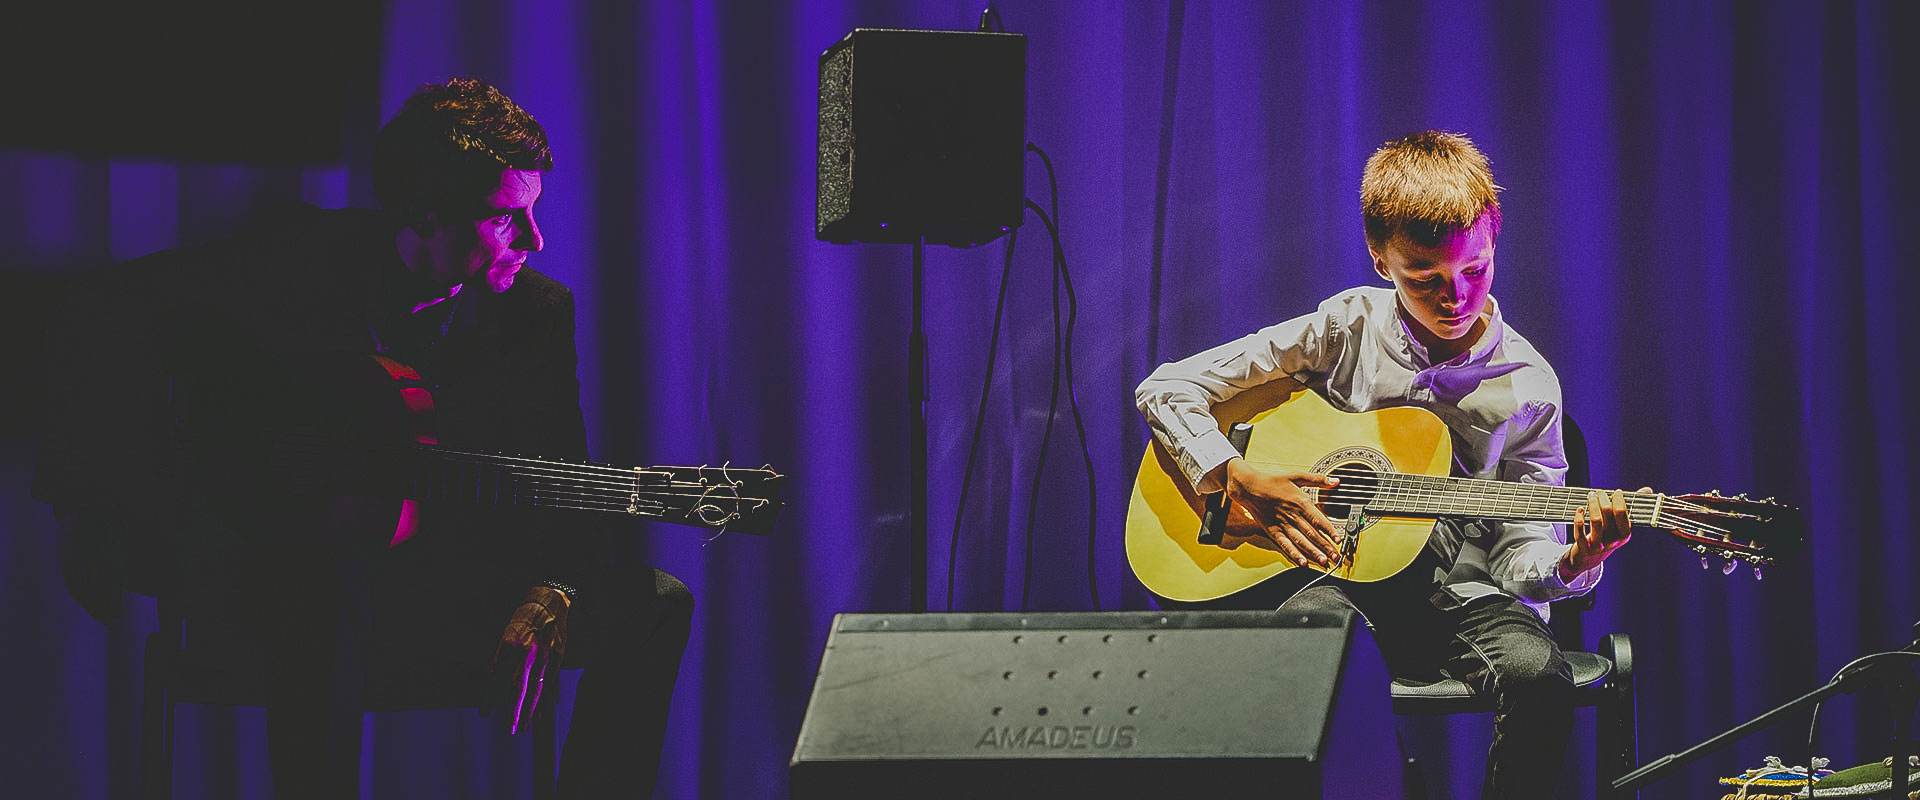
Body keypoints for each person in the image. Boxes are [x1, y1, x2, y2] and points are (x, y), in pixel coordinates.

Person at [33, 77, 689, 799]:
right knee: (320, 582)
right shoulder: (294, 260)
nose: (535, 240)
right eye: (505, 219)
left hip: (440, 589)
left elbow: (566, 473)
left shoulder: (535, 313)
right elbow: (100, 309)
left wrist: (554, 585)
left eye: (532, 212)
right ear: (425, 211)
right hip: (279, 583)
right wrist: (89, 500)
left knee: (656, 602)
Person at [1134, 130, 1633, 798]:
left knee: (1541, 676)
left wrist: (1571, 563)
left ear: (1494, 245)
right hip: (1332, 577)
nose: (1455, 296)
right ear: (1380, 257)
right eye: (1424, 278)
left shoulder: (1528, 385)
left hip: (1458, 594)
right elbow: (1165, 389)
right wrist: (1234, 473)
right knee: (1305, 656)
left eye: (1475, 270)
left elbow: (1521, 556)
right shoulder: (1343, 330)